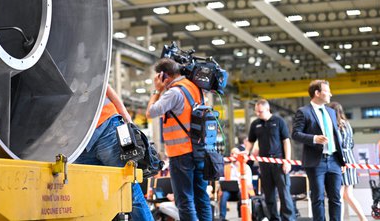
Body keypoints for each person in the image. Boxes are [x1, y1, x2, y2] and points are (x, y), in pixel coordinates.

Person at [75, 84, 153, 221]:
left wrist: (127, 120)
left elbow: (103, 84)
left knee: (128, 189)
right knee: (91, 196)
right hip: (80, 141)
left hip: (106, 127)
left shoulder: (77, 64)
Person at [146, 58, 211, 221]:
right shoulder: (194, 87)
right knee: (201, 198)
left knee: (185, 200)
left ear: (163, 76)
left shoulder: (174, 92)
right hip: (199, 150)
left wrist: (157, 91)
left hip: (181, 154)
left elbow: (151, 112)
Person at [292, 80, 344, 221]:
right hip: (316, 162)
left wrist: (342, 161)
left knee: (335, 198)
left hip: (334, 160)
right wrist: (314, 138)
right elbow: (295, 134)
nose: (330, 94)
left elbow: (336, 136)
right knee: (318, 198)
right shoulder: (304, 112)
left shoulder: (331, 112)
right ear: (317, 93)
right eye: (327, 91)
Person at [245, 99, 295, 221]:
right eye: (256, 111)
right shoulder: (255, 124)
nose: (258, 114)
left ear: (267, 109)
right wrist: (246, 154)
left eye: (260, 111)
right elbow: (250, 142)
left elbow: (286, 141)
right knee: (269, 194)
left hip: (279, 162)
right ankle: (274, 218)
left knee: (284, 193)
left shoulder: (279, 122)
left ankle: (288, 218)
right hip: (264, 163)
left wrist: (287, 161)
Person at [327, 102, 366, 221]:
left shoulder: (336, 126)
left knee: (339, 196)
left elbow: (336, 145)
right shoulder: (347, 124)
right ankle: (363, 219)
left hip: (340, 160)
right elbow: (351, 143)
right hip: (350, 159)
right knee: (348, 195)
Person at [218, 147, 254, 221]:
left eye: (235, 153)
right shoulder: (226, 167)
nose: (233, 155)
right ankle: (222, 218)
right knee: (224, 195)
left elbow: (249, 182)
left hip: (241, 190)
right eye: (232, 153)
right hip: (229, 190)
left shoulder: (245, 167)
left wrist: (241, 186)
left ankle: (242, 216)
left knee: (242, 194)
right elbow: (222, 181)